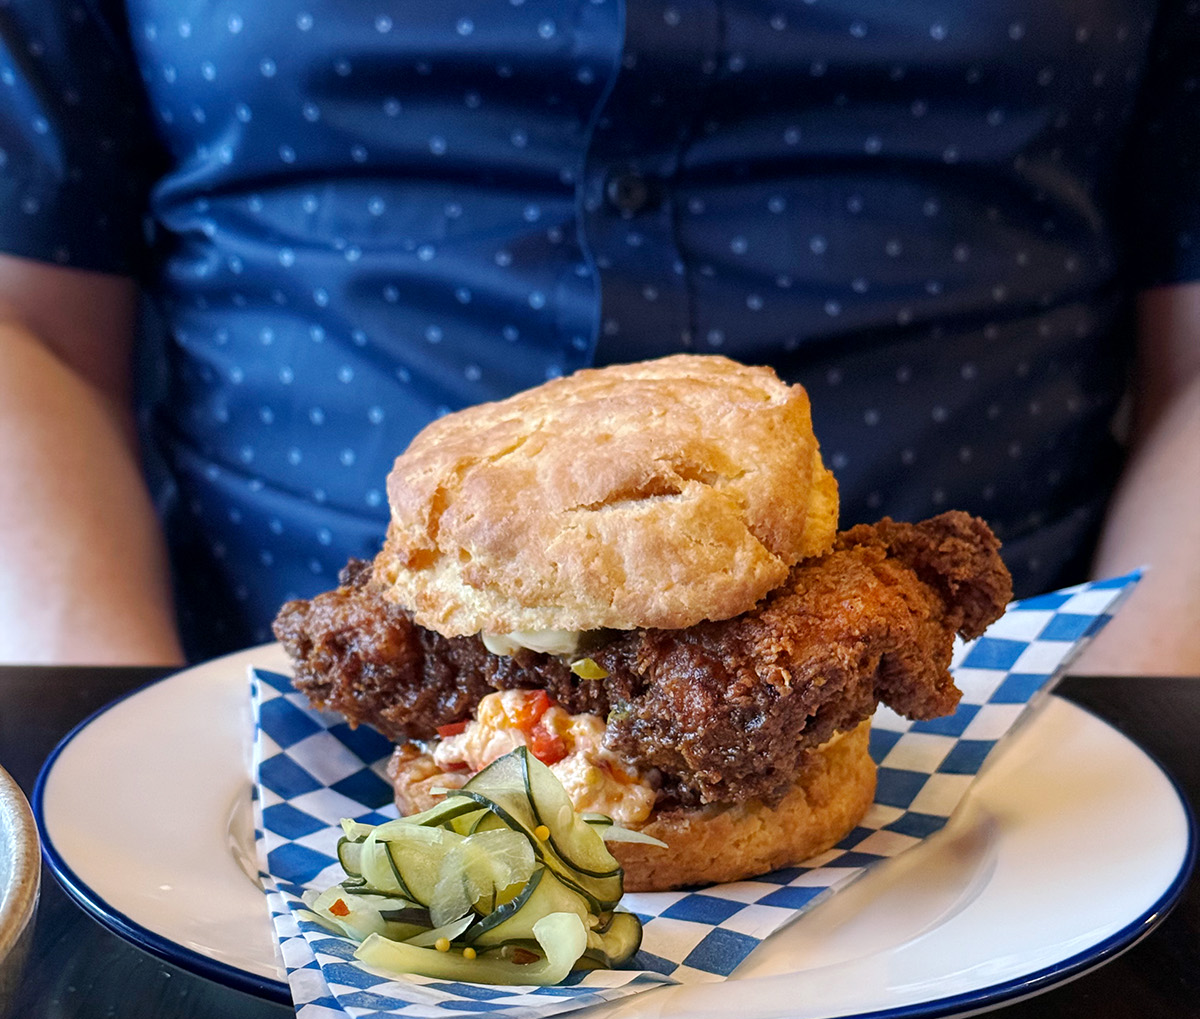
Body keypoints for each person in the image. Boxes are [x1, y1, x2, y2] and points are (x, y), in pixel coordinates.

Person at [0, 0, 1196, 671]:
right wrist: (108, 725)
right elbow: (25, 322)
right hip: (250, 700)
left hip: (1036, 711)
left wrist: (1138, 725)